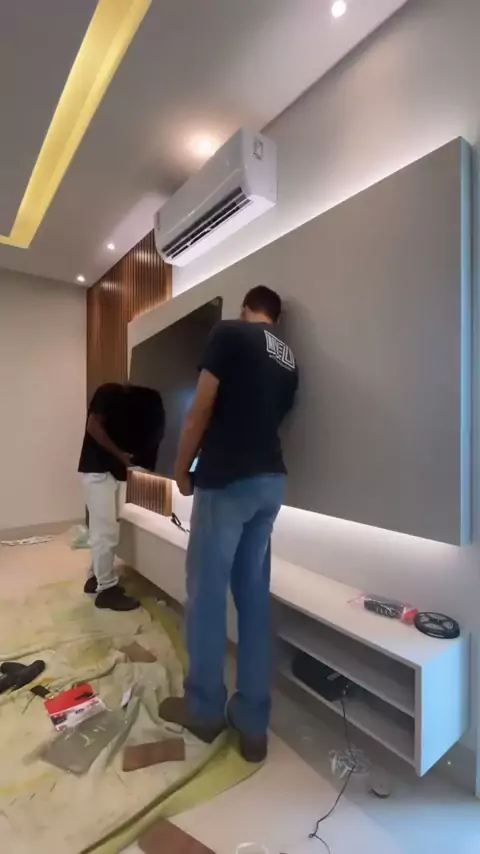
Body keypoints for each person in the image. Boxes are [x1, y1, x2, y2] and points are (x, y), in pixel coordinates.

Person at [159, 286, 298, 762]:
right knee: (254, 600)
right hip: (270, 484)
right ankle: (253, 723)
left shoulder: (230, 333)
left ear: (246, 308)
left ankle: (203, 710)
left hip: (226, 482)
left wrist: (181, 468)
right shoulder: (289, 360)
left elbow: (200, 409)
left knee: (206, 597)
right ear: (276, 317)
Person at [78, 382, 164, 611]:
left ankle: (95, 576)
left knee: (106, 530)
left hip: (114, 473)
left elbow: (151, 438)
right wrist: (121, 456)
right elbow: (93, 426)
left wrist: (139, 464)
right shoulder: (108, 392)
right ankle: (106, 591)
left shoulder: (139, 408)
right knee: (105, 532)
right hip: (98, 472)